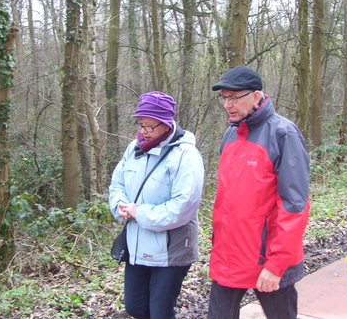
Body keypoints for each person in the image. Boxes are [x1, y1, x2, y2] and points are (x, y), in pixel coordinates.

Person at [207, 66, 310, 319]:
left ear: (256, 96)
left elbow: (294, 205)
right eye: (224, 98)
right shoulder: (231, 134)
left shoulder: (282, 133)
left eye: (234, 97)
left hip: (268, 257)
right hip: (230, 255)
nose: (227, 105)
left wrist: (276, 265)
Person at [109, 91, 205, 319]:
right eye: (140, 124)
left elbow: (184, 206)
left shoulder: (185, 155)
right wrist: (120, 205)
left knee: (160, 312)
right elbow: (117, 183)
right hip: (137, 244)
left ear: (166, 125)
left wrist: (139, 212)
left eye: (149, 126)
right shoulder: (134, 148)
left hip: (171, 249)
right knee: (135, 307)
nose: (143, 130)